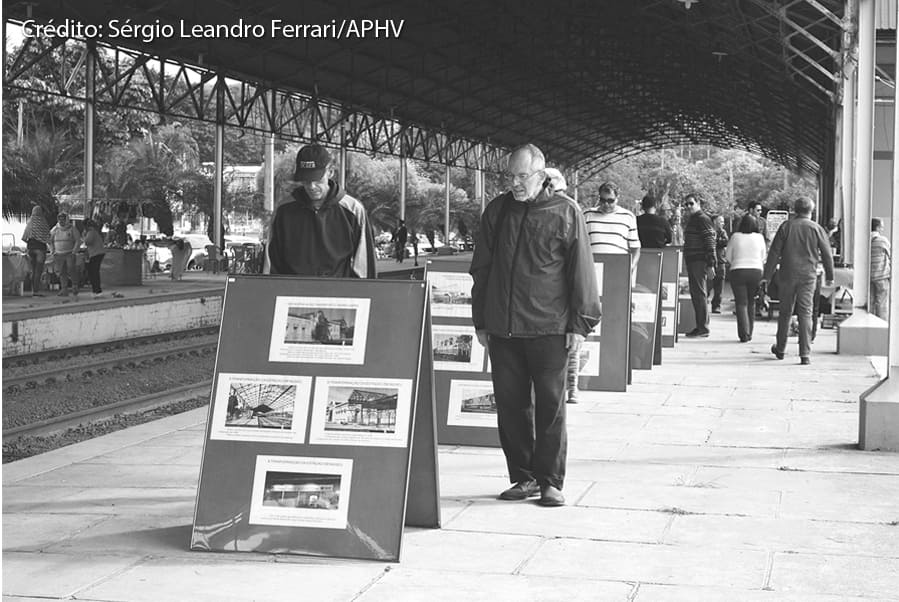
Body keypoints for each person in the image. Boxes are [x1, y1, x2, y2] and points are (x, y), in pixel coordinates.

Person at [470, 144, 600, 508]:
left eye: (522, 176)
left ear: (542, 176)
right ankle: (523, 477)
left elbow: (582, 271)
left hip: (549, 328)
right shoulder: (497, 211)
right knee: (511, 408)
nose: (515, 183)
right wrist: (481, 320)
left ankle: (550, 481)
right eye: (510, 176)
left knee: (550, 407)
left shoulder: (566, 212)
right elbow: (481, 269)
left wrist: (580, 323)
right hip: (503, 328)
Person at [267, 144, 377, 278]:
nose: (311, 186)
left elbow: (364, 265)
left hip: (337, 295)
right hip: (293, 294)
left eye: (317, 180)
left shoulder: (353, 210)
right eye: (306, 181)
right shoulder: (283, 211)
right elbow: (271, 262)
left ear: (330, 172)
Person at [762, 197, 834, 365]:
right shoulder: (817, 229)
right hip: (808, 276)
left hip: (787, 275)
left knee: (785, 312)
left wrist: (767, 276)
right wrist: (830, 276)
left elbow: (774, 253)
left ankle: (780, 349)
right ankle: (805, 354)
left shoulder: (786, 227)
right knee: (806, 313)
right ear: (811, 211)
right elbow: (827, 254)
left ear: (795, 210)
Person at [543, 168, 582, 405]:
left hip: (566, 291)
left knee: (573, 343)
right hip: (546, 299)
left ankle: (573, 388)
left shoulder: (570, 210)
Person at [583, 181, 641, 282]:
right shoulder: (587, 214)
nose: (606, 204)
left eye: (610, 201)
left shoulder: (628, 217)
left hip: (618, 268)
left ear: (617, 198)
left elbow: (635, 248)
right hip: (592, 269)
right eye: (603, 200)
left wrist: (630, 267)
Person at [725, 214, 766, 342]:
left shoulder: (735, 237)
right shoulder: (760, 238)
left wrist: (736, 262)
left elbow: (728, 256)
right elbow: (763, 257)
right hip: (756, 271)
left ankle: (744, 333)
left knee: (741, 303)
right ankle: (750, 332)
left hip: (738, 270)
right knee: (752, 302)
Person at [682, 194, 717, 337]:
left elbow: (710, 241)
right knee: (697, 293)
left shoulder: (702, 219)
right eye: (686, 204)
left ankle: (703, 327)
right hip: (693, 260)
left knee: (699, 293)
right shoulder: (695, 219)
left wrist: (711, 263)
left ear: (698, 203)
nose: (688, 206)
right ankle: (700, 325)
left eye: (691, 203)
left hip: (699, 260)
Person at [49, 212, 82, 297]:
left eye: (63, 219)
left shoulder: (72, 229)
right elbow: (49, 241)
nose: (61, 221)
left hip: (69, 253)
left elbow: (78, 240)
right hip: (58, 254)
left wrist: (74, 252)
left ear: (66, 219)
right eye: (59, 219)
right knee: (61, 272)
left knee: (71, 269)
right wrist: (52, 251)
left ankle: (75, 286)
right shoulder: (55, 229)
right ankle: (64, 289)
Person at [22, 206, 52, 297]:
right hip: (40, 249)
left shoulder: (30, 222)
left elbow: (24, 237)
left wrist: (30, 243)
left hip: (30, 248)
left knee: (33, 270)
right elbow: (48, 237)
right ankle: (35, 291)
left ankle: (32, 290)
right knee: (38, 271)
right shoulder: (44, 222)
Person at [870, 217, 891, 320]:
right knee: (882, 304)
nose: (882, 229)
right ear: (877, 228)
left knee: (870, 303)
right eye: (881, 227)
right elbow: (891, 255)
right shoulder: (882, 240)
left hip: (868, 278)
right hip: (881, 277)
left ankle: (869, 325)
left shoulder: (864, 240)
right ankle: (881, 328)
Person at [709, 215, 729, 314]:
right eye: (720, 221)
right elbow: (709, 243)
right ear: (715, 222)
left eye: (723, 221)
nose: (722, 223)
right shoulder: (709, 230)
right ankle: (704, 303)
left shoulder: (723, 232)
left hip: (721, 262)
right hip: (710, 262)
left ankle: (716, 306)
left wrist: (717, 240)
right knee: (708, 285)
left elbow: (725, 242)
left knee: (719, 287)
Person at [82, 219, 106, 298]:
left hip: (96, 253)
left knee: (93, 272)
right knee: (94, 272)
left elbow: (87, 242)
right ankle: (96, 290)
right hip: (97, 253)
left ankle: (97, 290)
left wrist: (84, 236)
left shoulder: (91, 232)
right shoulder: (94, 231)